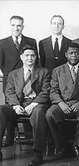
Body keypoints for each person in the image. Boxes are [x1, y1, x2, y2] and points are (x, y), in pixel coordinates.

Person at [0, 45, 50, 166]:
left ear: (36, 57)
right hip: (19, 104)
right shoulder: (13, 74)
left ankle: (38, 153)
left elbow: (46, 91)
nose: (30, 58)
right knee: (1, 110)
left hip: (36, 104)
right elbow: (9, 92)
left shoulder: (44, 72)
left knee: (39, 113)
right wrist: (16, 106)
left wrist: (33, 104)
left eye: (32, 55)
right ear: (21, 57)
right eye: (27, 55)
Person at [46, 42, 79, 159]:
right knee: (50, 114)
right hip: (63, 103)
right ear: (66, 55)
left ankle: (78, 146)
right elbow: (53, 91)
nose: (74, 56)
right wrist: (61, 103)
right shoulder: (57, 71)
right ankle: (61, 146)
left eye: (77, 53)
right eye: (71, 53)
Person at [0, 15, 38, 147]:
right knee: (10, 109)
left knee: (27, 109)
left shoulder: (31, 41)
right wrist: (11, 75)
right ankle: (9, 140)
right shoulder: (2, 43)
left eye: (19, 25)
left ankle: (31, 141)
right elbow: (1, 63)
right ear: (10, 26)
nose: (16, 28)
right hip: (11, 80)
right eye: (13, 25)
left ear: (23, 26)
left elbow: (34, 60)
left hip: (28, 79)